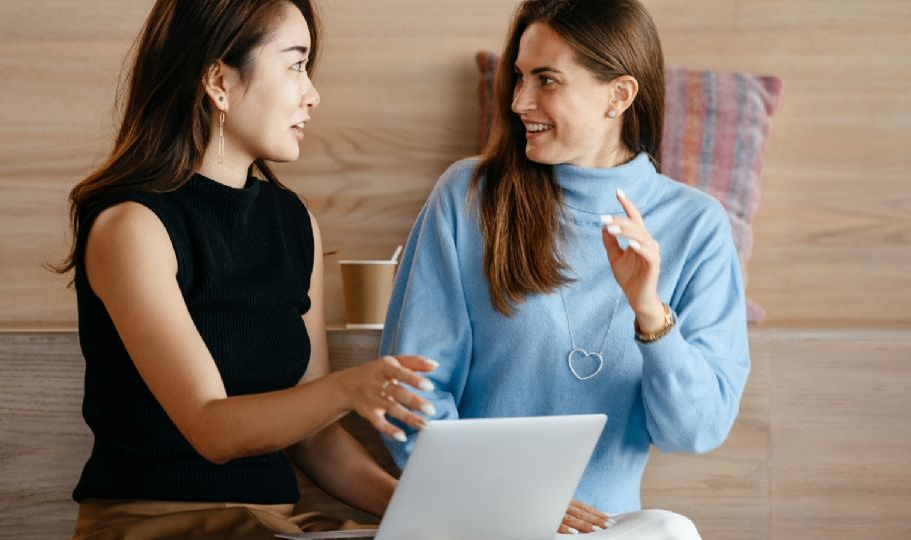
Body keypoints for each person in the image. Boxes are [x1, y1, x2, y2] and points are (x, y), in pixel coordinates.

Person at [52, 1, 437, 537]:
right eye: (296, 64)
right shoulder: (133, 227)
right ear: (217, 81)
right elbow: (212, 429)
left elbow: (314, 437)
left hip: (274, 523)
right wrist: (350, 389)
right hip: (160, 523)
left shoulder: (294, 222)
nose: (313, 93)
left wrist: (434, 511)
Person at [380, 0, 749, 537]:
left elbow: (696, 430)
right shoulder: (469, 196)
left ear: (618, 96)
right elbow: (408, 396)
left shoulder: (698, 226)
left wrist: (650, 314)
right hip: (474, 520)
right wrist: (511, 502)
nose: (518, 100)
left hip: (608, 529)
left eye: (546, 80)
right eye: (519, 77)